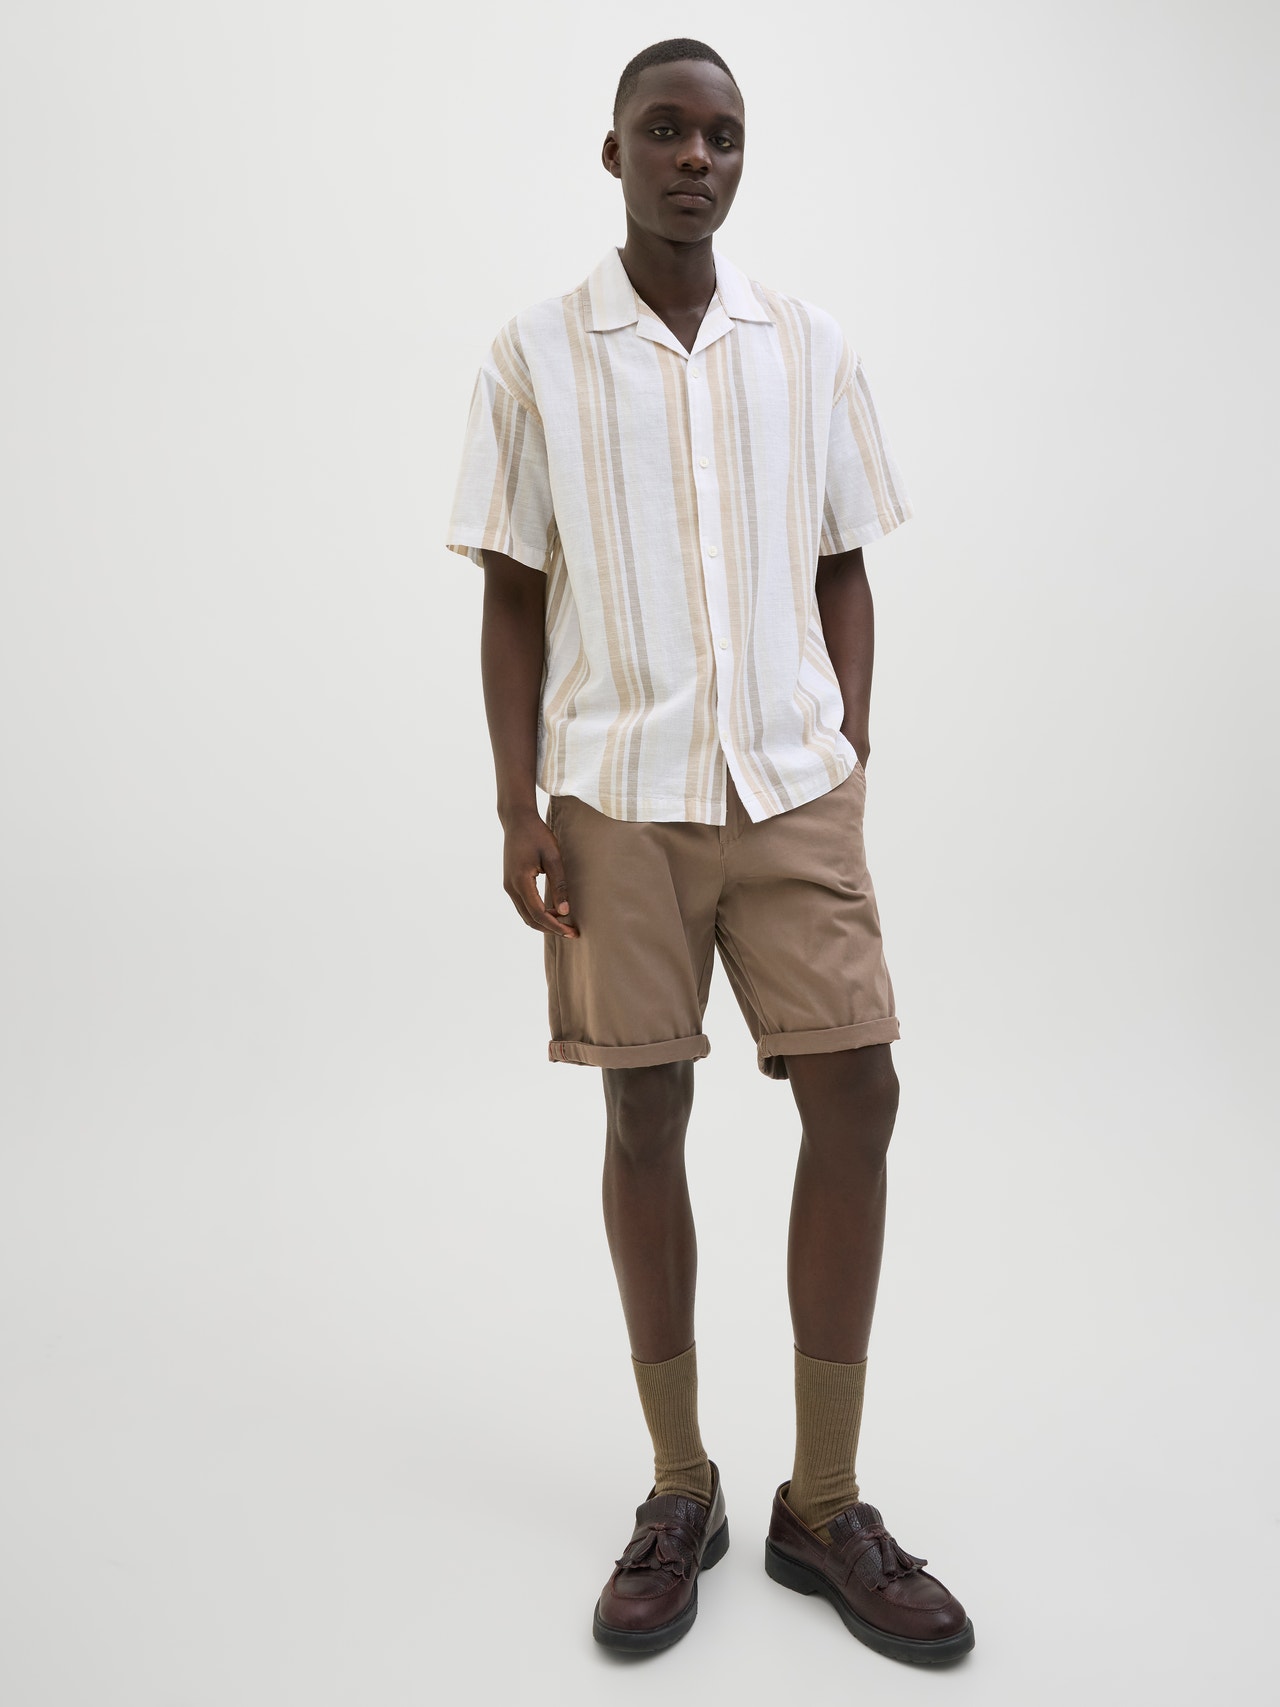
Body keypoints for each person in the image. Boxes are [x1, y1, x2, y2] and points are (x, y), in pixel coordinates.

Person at [445, 37, 973, 1666]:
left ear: (744, 158)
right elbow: (513, 591)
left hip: (790, 789)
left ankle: (827, 1502)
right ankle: (681, 1488)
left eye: (723, 134)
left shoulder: (807, 346)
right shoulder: (535, 356)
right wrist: (518, 806)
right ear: (612, 153)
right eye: (665, 130)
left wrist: (849, 746)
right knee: (642, 1111)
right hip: (617, 793)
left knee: (858, 1090)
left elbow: (844, 562)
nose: (696, 157)